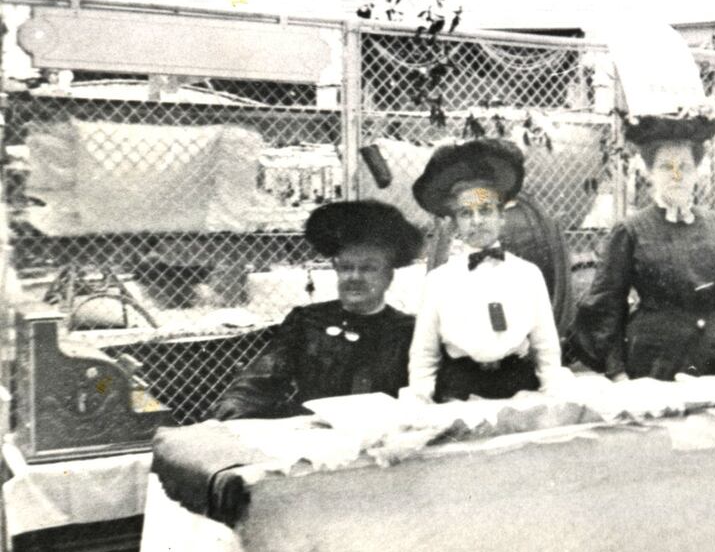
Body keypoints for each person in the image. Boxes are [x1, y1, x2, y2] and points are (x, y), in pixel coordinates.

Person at [574, 115, 715, 380]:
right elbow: (607, 303)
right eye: (666, 167)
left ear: (696, 172)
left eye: (684, 167)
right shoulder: (630, 230)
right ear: (649, 173)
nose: (676, 176)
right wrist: (616, 371)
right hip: (656, 362)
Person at [210, 200, 423, 420]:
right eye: (347, 267)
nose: (355, 277)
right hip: (314, 435)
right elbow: (262, 378)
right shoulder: (309, 321)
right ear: (336, 269)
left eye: (368, 268)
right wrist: (232, 408)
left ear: (388, 276)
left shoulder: (408, 331)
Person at [408, 140, 563, 402]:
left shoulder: (528, 274)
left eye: (485, 210)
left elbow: (546, 347)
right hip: (461, 385)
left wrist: (554, 395)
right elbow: (424, 354)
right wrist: (423, 400)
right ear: (456, 222)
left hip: (517, 382)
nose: (477, 221)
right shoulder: (440, 281)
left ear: (502, 216)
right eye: (466, 213)